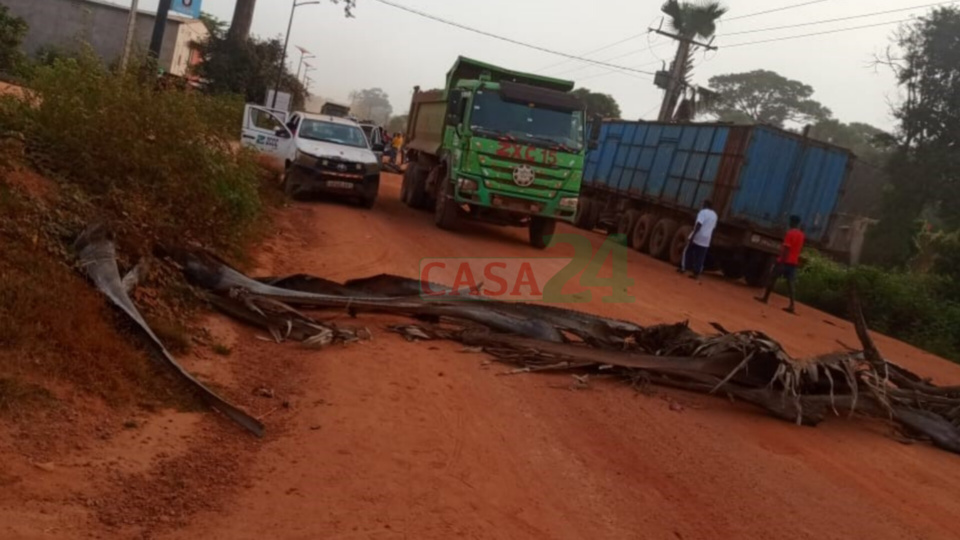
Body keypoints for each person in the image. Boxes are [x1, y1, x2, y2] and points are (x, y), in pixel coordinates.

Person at [756, 215, 805, 314]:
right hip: (793, 262)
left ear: (792, 222)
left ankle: (765, 298)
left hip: (785, 261)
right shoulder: (801, 235)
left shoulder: (790, 233)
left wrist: (782, 261)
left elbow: (787, 248)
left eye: (790, 221)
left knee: (772, 278)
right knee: (790, 284)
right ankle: (792, 305)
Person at [678, 200, 718, 280]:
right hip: (707, 239)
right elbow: (713, 228)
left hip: (698, 236)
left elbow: (699, 224)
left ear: (705, 205)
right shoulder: (715, 215)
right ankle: (696, 273)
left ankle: (684, 268)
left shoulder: (703, 212)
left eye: (702, 204)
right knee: (700, 257)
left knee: (687, 251)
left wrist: (693, 236)